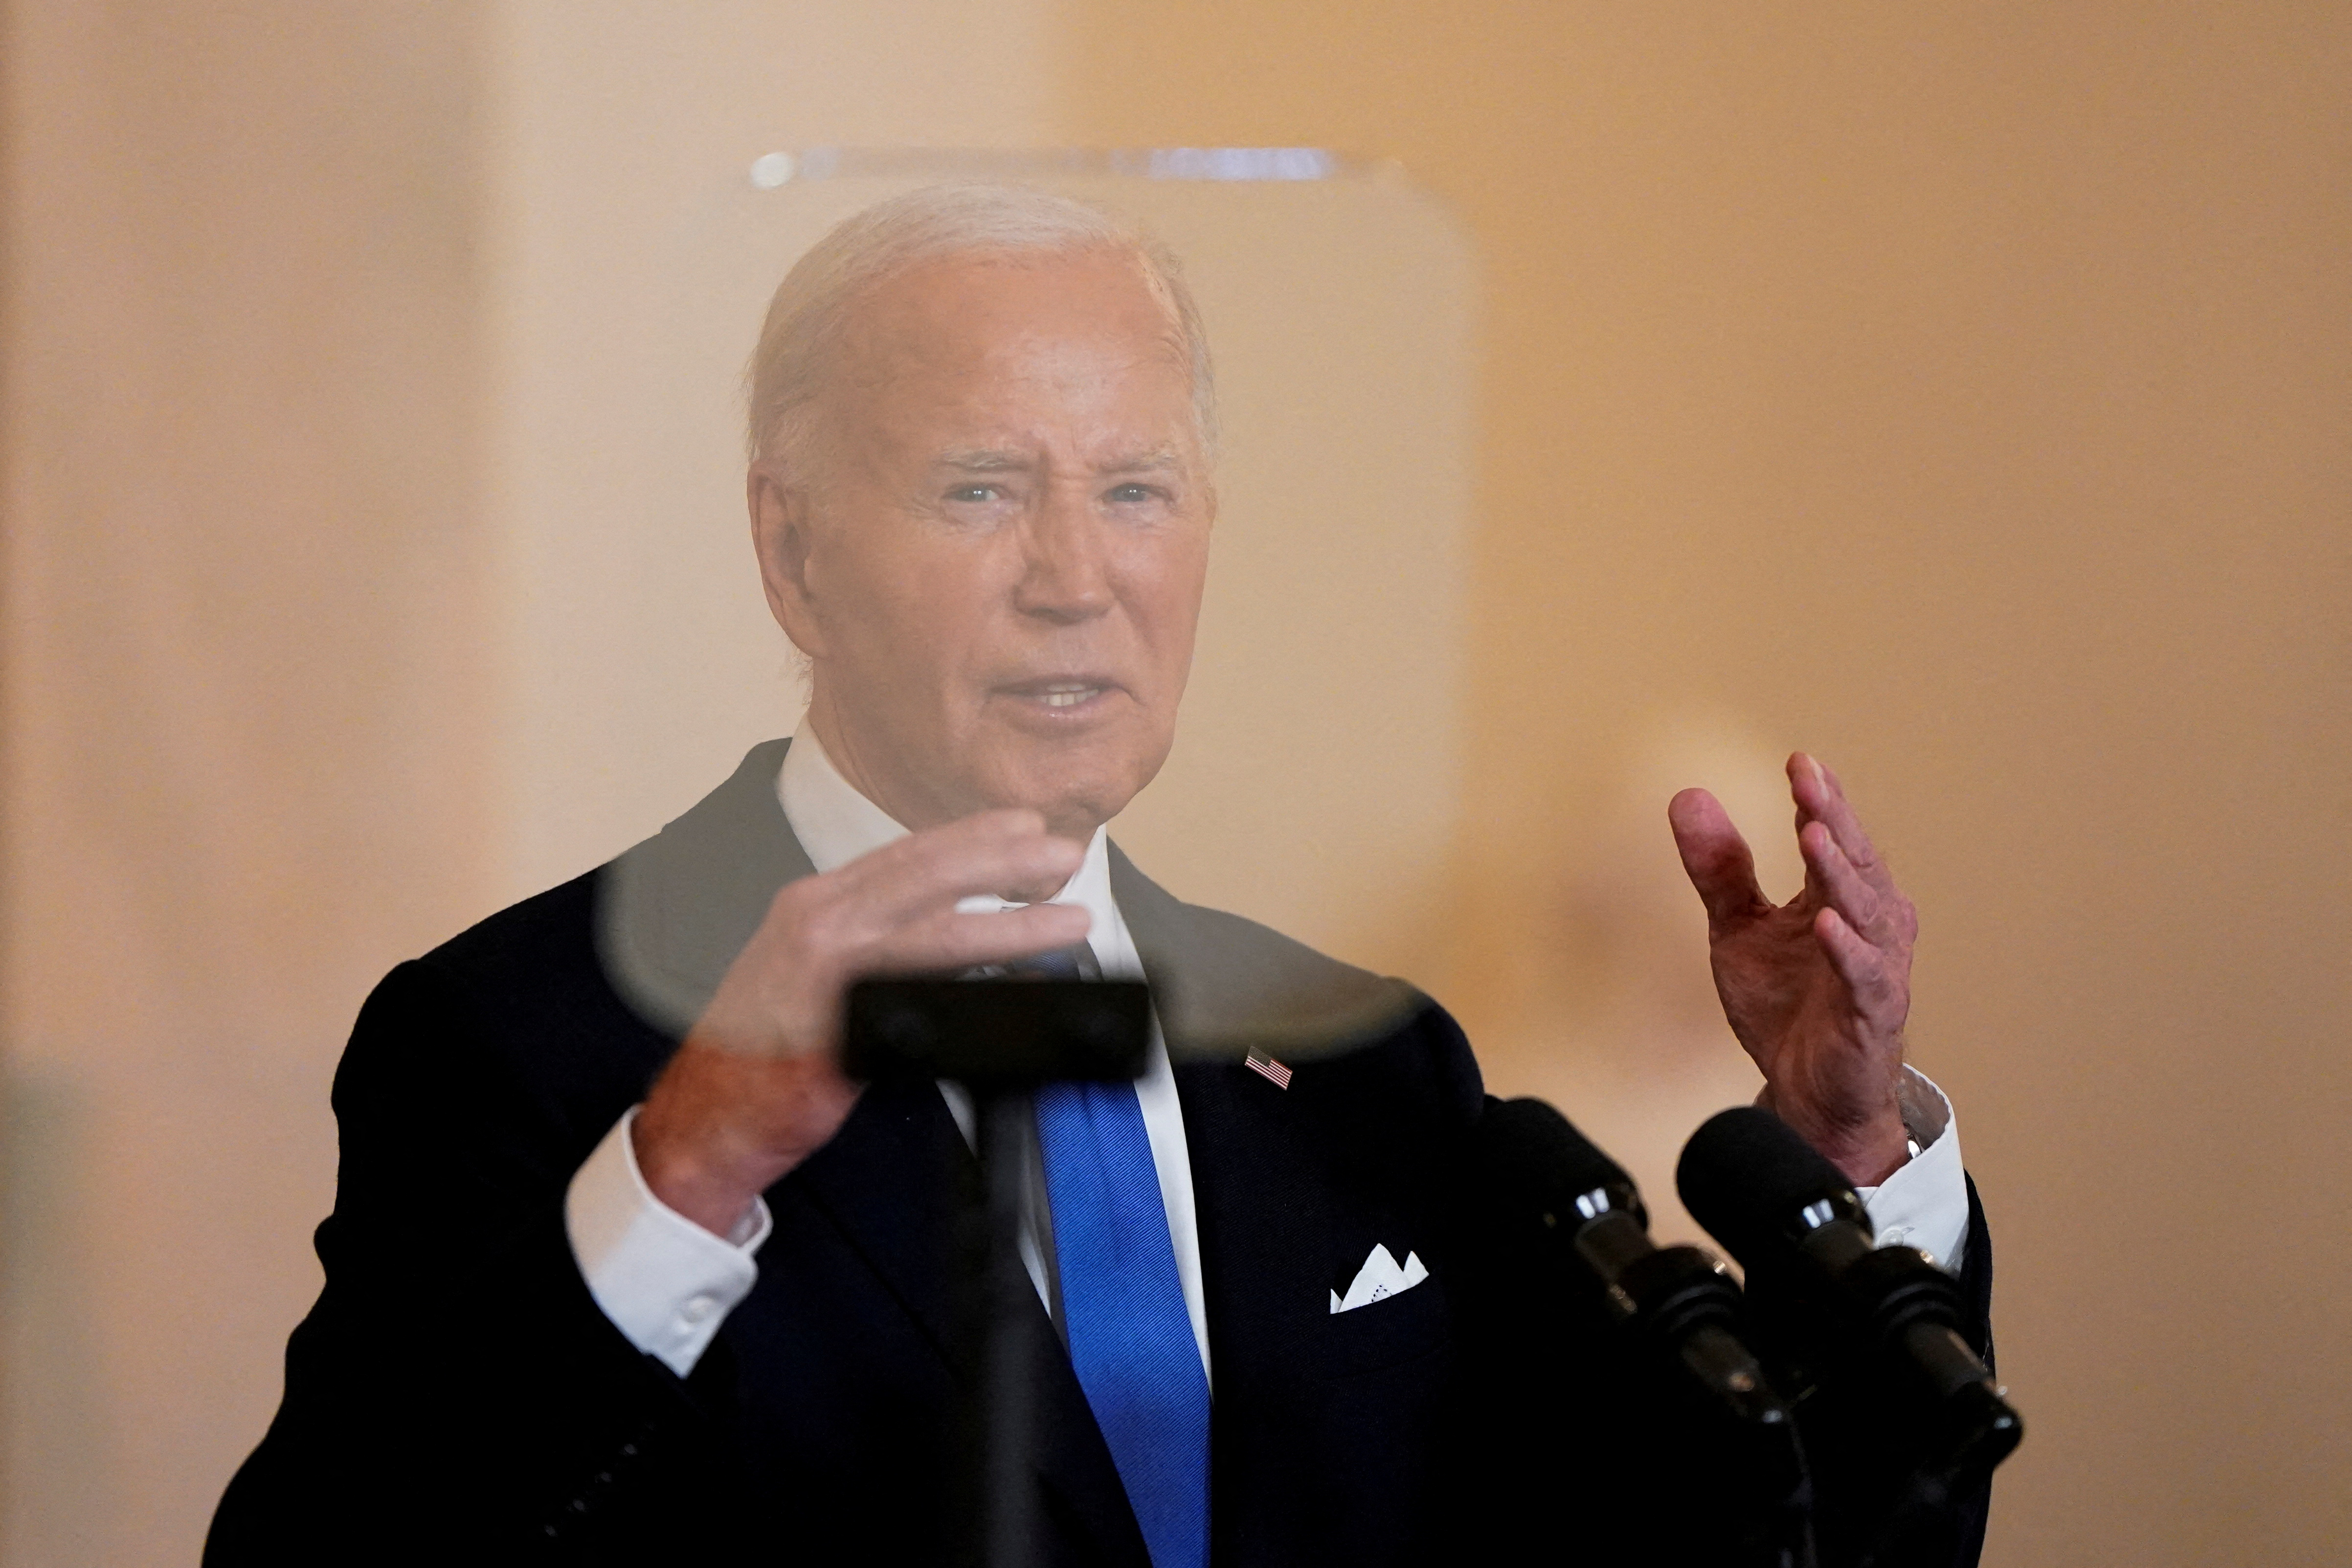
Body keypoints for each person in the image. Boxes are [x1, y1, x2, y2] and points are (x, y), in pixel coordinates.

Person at [206, 185, 1991, 1566]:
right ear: (792, 546)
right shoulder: (531, 1039)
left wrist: (1846, 1161)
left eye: (1135, 488)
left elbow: (1732, 1551)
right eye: (983, 488)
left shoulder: (1361, 1060)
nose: (1077, 575)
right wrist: (689, 1168)